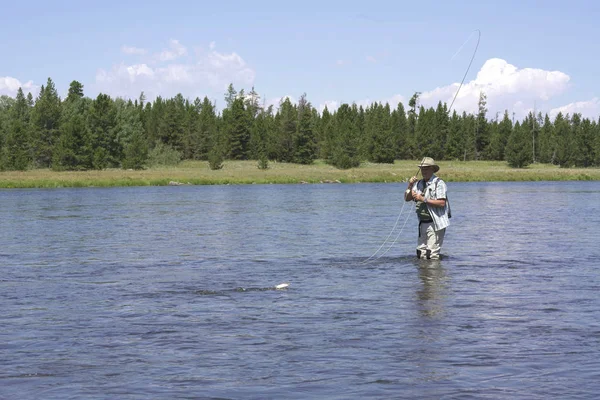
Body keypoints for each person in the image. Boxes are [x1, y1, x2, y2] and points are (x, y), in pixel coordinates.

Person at [404, 157, 450, 260]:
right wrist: (410, 185)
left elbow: (442, 203)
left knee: (432, 254)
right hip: (422, 222)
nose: (423, 171)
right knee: (421, 253)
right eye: (422, 169)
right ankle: (423, 275)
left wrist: (423, 199)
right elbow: (407, 198)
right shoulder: (419, 183)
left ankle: (433, 275)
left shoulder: (439, 183)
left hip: (435, 223)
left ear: (432, 169)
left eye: (426, 168)